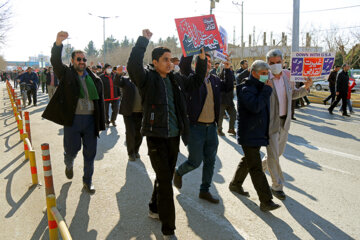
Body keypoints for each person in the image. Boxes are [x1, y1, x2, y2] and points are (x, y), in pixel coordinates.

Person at [127, 29, 207, 240]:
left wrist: (201, 60)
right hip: (155, 136)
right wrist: (143, 41)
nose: (170, 63)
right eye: (165, 60)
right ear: (155, 62)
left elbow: (196, 81)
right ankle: (168, 229)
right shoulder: (147, 79)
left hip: (173, 137)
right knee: (165, 181)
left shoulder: (176, 79)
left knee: (164, 177)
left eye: (171, 59)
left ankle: (154, 207)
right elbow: (133, 66)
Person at [42, 31, 106, 194]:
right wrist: (58, 44)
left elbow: (100, 103)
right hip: (73, 120)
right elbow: (56, 61)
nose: (82, 62)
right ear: (72, 61)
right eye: (79, 59)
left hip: (91, 121)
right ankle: (68, 163)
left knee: (90, 153)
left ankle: (87, 181)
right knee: (72, 149)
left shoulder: (94, 79)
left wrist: (101, 122)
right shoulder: (67, 74)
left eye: (84, 59)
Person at [174, 50, 234, 204]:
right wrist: (188, 49)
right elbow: (183, 65)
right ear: (196, 63)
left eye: (209, 62)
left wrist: (227, 69)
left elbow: (228, 87)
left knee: (210, 160)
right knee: (195, 161)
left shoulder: (214, 80)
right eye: (203, 61)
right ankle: (179, 172)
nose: (207, 64)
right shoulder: (191, 78)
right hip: (196, 129)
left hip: (211, 128)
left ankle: (204, 190)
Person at [229, 60, 280, 211]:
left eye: (267, 74)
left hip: (257, 132)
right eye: (263, 74)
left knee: (248, 160)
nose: (266, 76)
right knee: (256, 167)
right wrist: (266, 90)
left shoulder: (260, 86)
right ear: (254, 73)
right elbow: (256, 106)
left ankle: (235, 184)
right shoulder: (246, 88)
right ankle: (266, 200)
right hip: (249, 133)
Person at [262, 49, 312, 200]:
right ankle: (277, 186)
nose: (276, 65)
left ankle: (257, 168)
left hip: (285, 121)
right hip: (270, 123)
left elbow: (294, 94)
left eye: (278, 62)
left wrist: (306, 87)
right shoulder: (264, 77)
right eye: (272, 63)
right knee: (274, 156)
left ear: (283, 62)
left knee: (277, 154)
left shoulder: (289, 76)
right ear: (267, 63)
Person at [114, 66, 143, 161]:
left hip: (141, 112)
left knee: (139, 133)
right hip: (129, 112)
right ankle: (131, 153)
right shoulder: (126, 81)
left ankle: (136, 150)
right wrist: (118, 74)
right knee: (130, 132)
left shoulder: (143, 81)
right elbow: (117, 82)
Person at [217, 67, 236, 136]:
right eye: (228, 69)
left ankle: (231, 129)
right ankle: (219, 130)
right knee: (220, 117)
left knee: (234, 114)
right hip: (222, 101)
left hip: (230, 101)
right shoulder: (220, 80)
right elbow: (227, 82)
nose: (231, 70)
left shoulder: (230, 76)